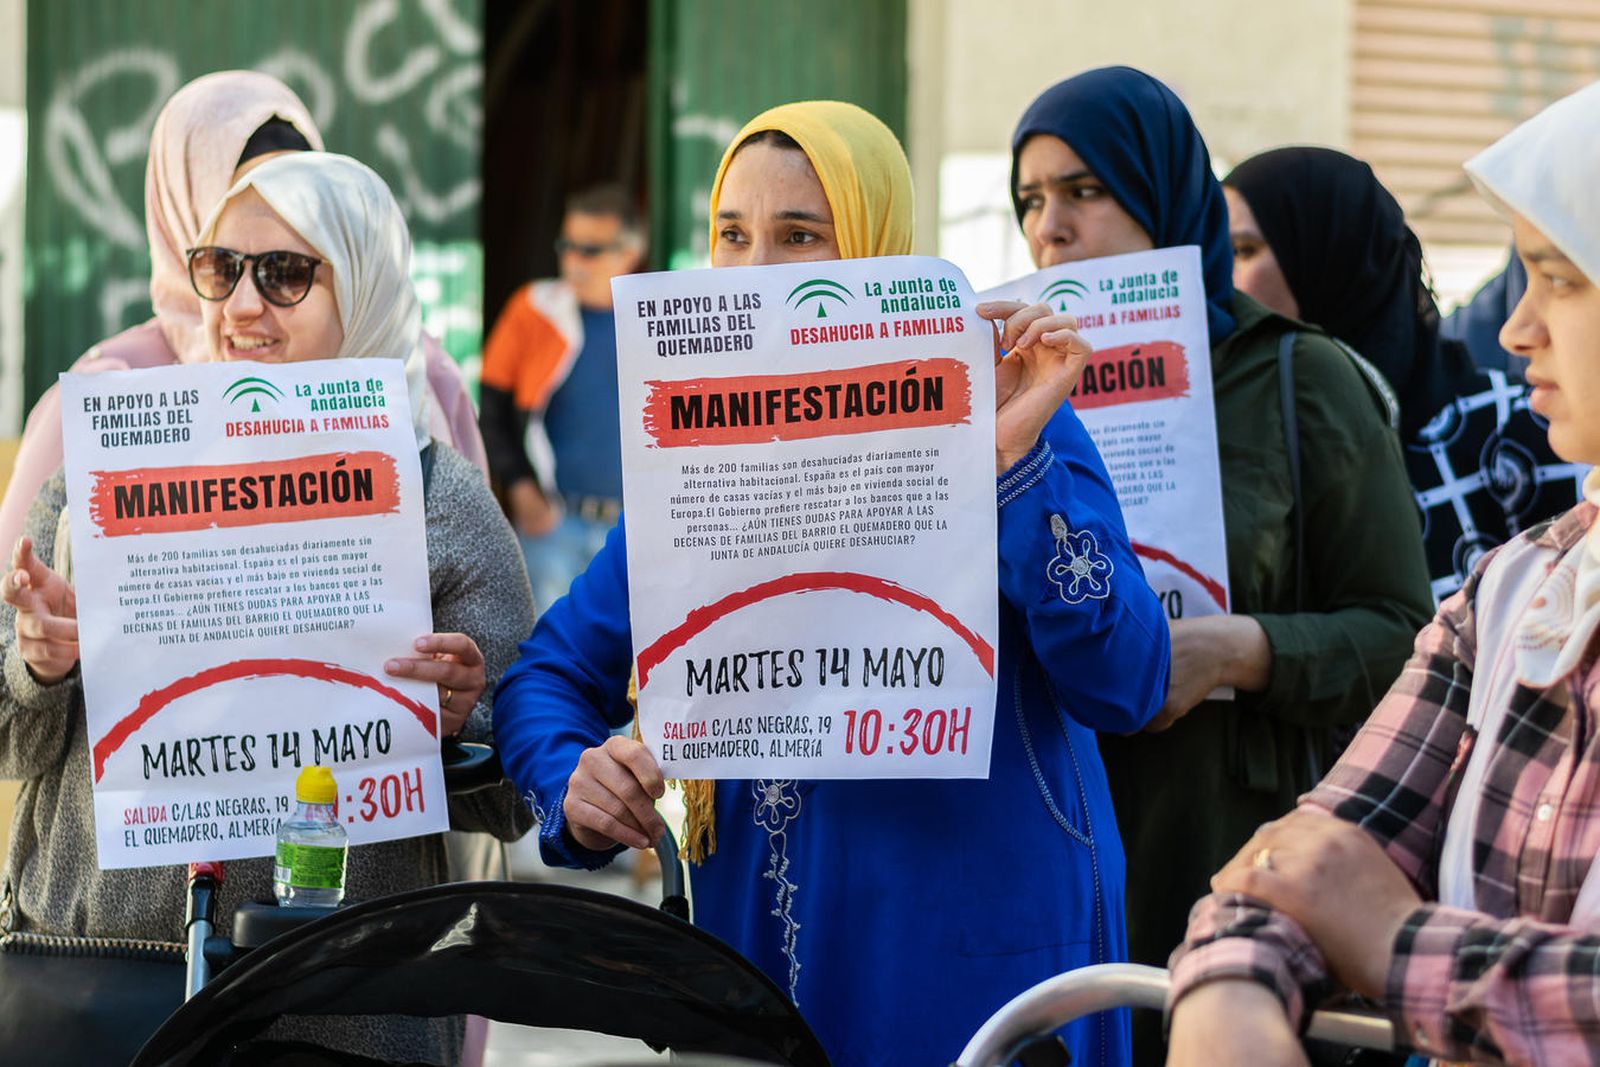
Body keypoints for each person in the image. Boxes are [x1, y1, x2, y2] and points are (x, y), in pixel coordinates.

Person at [493, 100, 1171, 1067]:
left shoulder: (1005, 406)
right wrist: (573, 781)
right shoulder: (698, 465)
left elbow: (1128, 679)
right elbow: (546, 675)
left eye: (802, 236)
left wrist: (1012, 468)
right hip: (761, 956)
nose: (760, 273)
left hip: (974, 955)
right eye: (733, 235)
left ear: (876, 247)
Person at [0, 152, 534, 1065]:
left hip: (349, 1009)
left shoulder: (435, 495)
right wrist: (41, 663)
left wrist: (458, 725)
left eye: (285, 273)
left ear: (361, 287)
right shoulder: (97, 477)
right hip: (101, 984)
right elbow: (12, 743)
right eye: (221, 267)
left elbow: (518, 796)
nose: (242, 305)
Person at [1005, 67, 1435, 1065]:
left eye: (1082, 190)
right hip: (1063, 838)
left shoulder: (1300, 377)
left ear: (1159, 191)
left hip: (1228, 842)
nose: (1050, 228)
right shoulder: (1007, 385)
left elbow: (1403, 637)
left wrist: (1239, 651)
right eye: (1030, 200)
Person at [1167, 79, 1600, 1067]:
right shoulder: (1512, 593)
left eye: (1561, 277)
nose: (1515, 328)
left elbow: (1348, 889)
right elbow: (1303, 858)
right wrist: (1228, 995)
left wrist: (1397, 941)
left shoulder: (1451, 423)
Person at [0, 70, 488, 558]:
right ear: (186, 210)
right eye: (243, 194)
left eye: (289, 264)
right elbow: (19, 599)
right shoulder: (109, 396)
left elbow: (479, 583)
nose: (246, 303)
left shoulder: (421, 377)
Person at [1224, 146, 1582, 602]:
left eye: (1243, 250)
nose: (1220, 279)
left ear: (1329, 257)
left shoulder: (1515, 423)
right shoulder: (1241, 441)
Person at [478, 185, 646, 610]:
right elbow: (492, 411)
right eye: (567, 245)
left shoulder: (657, 316)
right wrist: (521, 489)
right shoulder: (533, 309)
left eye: (590, 250)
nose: (574, 260)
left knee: (635, 667)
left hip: (638, 528)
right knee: (549, 660)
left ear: (630, 252)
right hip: (555, 523)